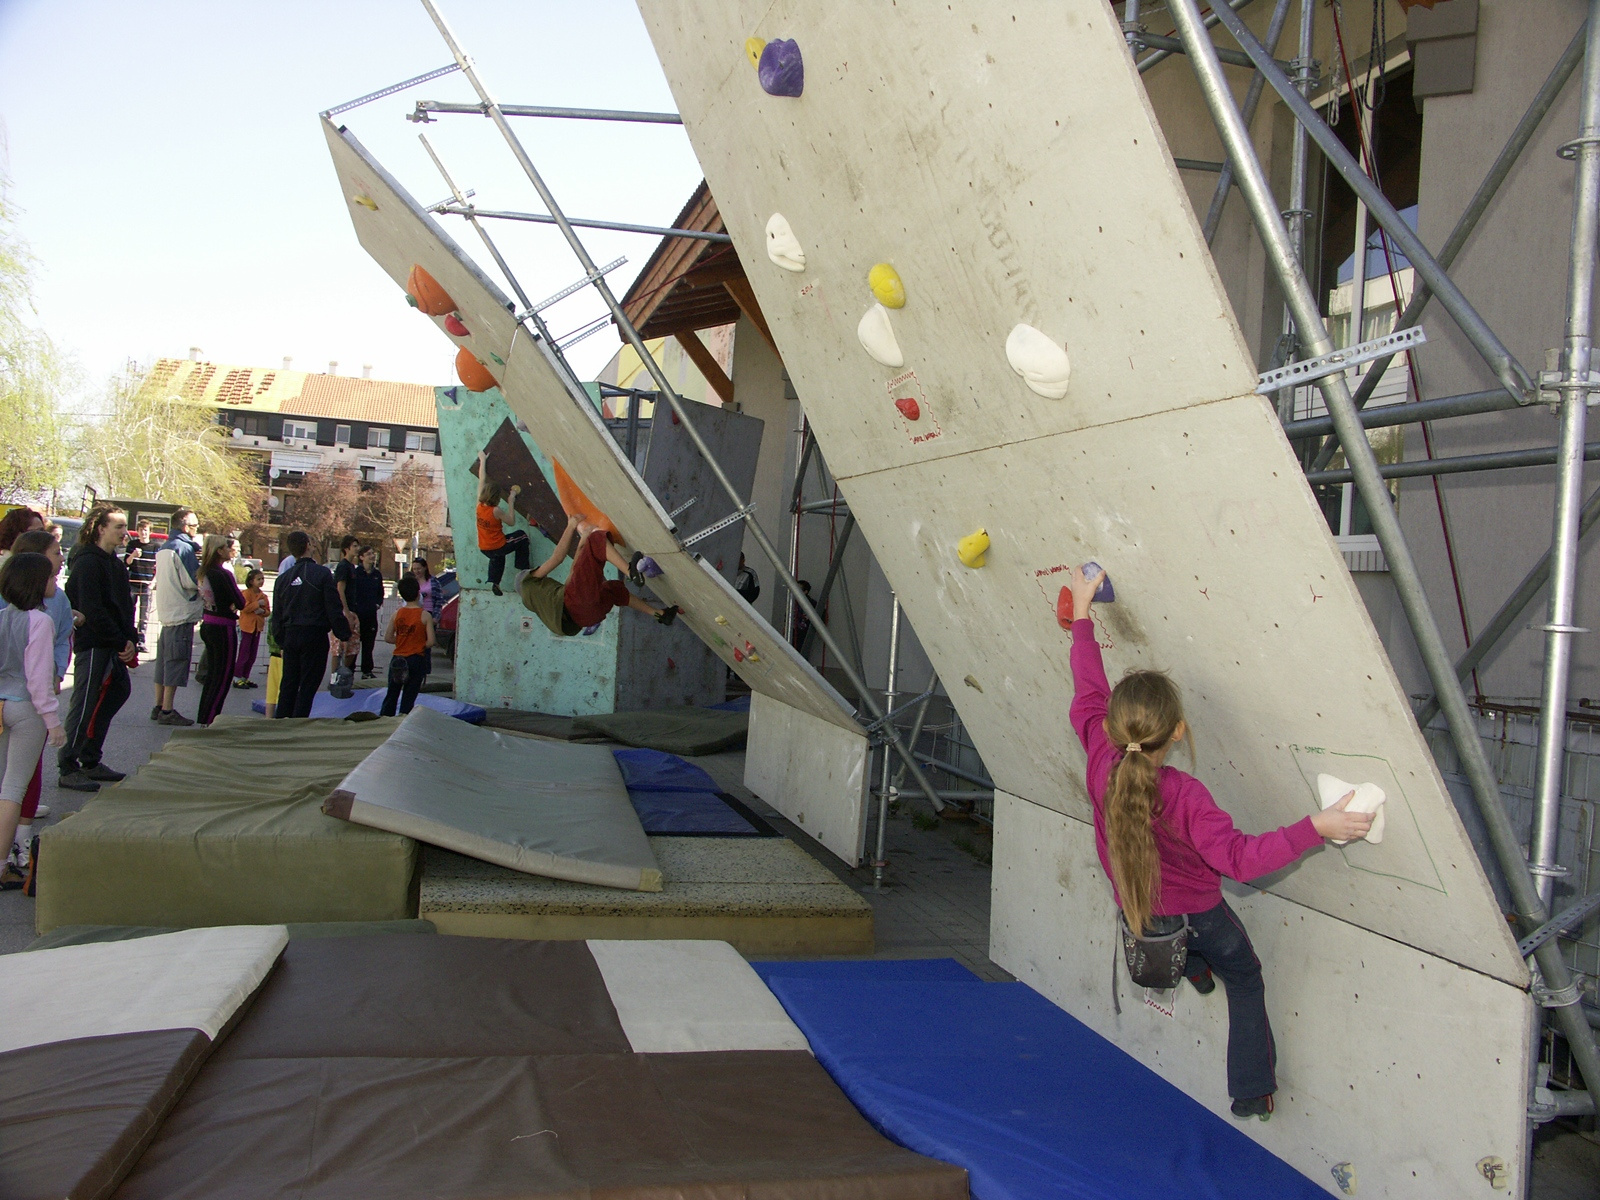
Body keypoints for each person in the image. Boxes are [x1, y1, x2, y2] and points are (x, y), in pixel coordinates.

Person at [1062, 564, 1372, 1122]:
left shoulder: (1100, 761)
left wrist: (1082, 613)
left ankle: (1189, 966)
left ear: (1109, 728)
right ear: (1177, 732)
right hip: (1200, 916)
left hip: (1138, 912)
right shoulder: (1186, 796)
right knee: (1246, 977)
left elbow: (1088, 688)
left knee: (1173, 939)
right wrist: (1316, 828)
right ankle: (1252, 1091)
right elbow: (1241, 861)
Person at [0, 529, 74, 873]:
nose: (55, 577)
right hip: (27, 708)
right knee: (13, 789)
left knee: (5, 781)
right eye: (49, 574)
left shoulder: (3, 618)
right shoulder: (41, 621)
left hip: (2, 703)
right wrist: (53, 722)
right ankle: (3, 863)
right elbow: (39, 679)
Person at [59, 505, 137, 793]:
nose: (124, 532)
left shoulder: (113, 563)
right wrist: (120, 641)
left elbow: (123, 606)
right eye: (118, 526)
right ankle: (68, 764)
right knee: (84, 702)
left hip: (113, 642)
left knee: (118, 690)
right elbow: (92, 608)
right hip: (94, 643)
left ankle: (90, 757)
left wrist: (129, 640)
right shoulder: (87, 562)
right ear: (100, 528)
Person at [517, 515, 678, 637]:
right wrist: (572, 525)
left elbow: (574, 574)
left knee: (613, 590)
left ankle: (660, 615)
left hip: (587, 618)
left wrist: (582, 541)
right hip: (575, 604)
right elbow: (558, 558)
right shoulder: (528, 583)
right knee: (596, 541)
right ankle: (631, 572)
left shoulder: (545, 603)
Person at [272, 531, 352, 719]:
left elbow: (277, 615)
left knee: (289, 682)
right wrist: (344, 634)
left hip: (291, 634)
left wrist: (280, 639)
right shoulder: (321, 574)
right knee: (308, 684)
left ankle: (281, 720)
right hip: (313, 634)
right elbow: (333, 607)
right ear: (308, 545)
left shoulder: (283, 579)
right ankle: (298, 721)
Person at [151, 511, 202, 727]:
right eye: (195, 525)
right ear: (185, 526)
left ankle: (158, 705)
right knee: (175, 662)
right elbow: (192, 580)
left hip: (167, 611)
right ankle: (167, 709)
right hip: (181, 612)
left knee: (163, 662)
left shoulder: (165, 547)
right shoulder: (184, 548)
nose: (197, 528)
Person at [195, 535, 246, 726]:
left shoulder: (203, 572)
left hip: (208, 623)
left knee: (212, 675)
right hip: (223, 626)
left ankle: (204, 717)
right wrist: (233, 604)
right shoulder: (223, 574)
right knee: (223, 675)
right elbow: (240, 602)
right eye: (226, 547)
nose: (230, 549)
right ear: (219, 551)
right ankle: (210, 719)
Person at [379, 575, 435, 717]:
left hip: (398, 659)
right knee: (409, 695)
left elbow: (388, 637)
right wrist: (418, 643)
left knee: (392, 693)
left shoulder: (396, 614)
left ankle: (385, 719)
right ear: (418, 594)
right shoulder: (425, 615)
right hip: (416, 658)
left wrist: (402, 640)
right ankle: (404, 720)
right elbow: (431, 641)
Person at [477, 453, 530, 596]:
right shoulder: (496, 510)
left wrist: (482, 460)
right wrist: (511, 500)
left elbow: (482, 479)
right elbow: (511, 522)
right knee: (522, 536)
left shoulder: (479, 505)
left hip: (484, 547)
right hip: (498, 545)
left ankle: (495, 582)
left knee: (497, 557)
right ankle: (523, 569)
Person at [350, 546, 385, 679]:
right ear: (361, 557)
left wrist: (377, 603)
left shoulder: (377, 575)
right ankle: (350, 670)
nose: (372, 556)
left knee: (368, 645)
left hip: (371, 614)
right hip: (358, 615)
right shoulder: (356, 573)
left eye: (373, 553)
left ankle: (367, 670)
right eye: (368, 554)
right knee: (354, 644)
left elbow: (380, 592)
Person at [124, 519, 157, 650]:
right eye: (141, 530)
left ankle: (141, 640)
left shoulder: (155, 547)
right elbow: (126, 563)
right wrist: (133, 555)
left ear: (150, 532)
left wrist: (153, 582)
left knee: (144, 615)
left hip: (146, 584)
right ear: (137, 531)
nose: (143, 532)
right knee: (129, 612)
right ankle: (129, 638)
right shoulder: (132, 545)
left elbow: (158, 567)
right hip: (133, 583)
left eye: (145, 530)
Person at [233, 568, 269, 689]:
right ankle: (237, 677)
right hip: (247, 627)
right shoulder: (246, 593)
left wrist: (262, 611)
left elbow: (267, 611)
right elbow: (244, 607)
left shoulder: (263, 595)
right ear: (251, 581)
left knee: (252, 655)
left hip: (257, 628)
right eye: (258, 579)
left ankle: (245, 677)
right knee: (244, 653)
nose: (261, 581)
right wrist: (257, 604)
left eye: (262, 579)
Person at [333, 535, 361, 670]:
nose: (357, 549)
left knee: (353, 646)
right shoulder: (343, 566)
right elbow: (340, 589)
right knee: (338, 646)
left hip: (353, 609)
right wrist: (346, 612)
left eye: (357, 546)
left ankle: (344, 672)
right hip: (345, 611)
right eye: (354, 546)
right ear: (346, 549)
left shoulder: (351, 567)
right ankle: (334, 676)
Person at [411, 558, 442, 676]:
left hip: (429, 614)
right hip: (415, 614)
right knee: (414, 643)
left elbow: (439, 601)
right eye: (414, 569)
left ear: (425, 568)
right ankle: (415, 670)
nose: (417, 571)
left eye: (419, 568)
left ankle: (425, 672)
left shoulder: (433, 581)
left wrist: (436, 617)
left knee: (427, 645)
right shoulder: (412, 581)